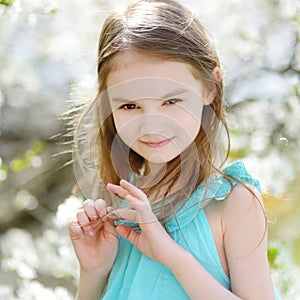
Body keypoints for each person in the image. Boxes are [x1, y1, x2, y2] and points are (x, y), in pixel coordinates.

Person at [67, 0, 280, 299]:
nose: (151, 125)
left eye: (171, 101)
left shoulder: (233, 203)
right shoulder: (119, 207)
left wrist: (171, 255)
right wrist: (93, 272)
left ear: (210, 88)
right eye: (130, 105)